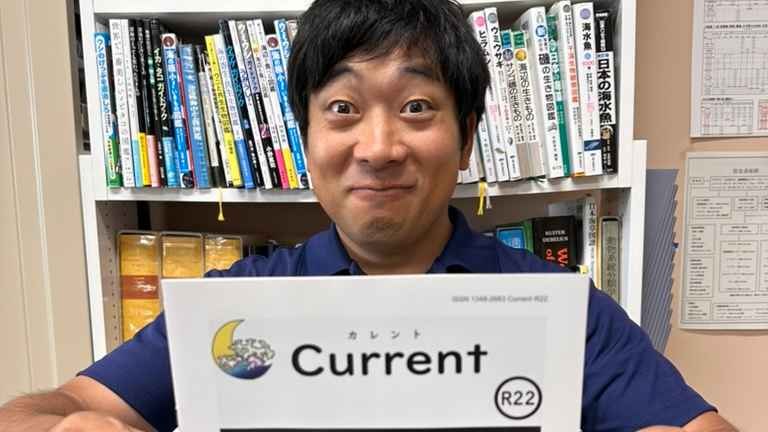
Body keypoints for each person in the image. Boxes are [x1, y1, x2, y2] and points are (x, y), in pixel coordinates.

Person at [0, 0, 737, 431]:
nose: (379, 147)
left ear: (467, 138)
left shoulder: (559, 308)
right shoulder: (236, 310)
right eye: (343, 109)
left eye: (416, 106)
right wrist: (70, 424)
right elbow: (45, 408)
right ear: (306, 138)